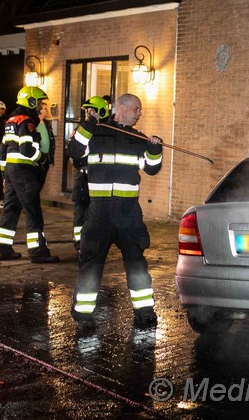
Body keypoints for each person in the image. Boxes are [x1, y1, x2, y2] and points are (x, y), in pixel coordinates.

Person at [66, 93, 162, 328]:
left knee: (136, 261)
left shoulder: (137, 139)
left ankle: (144, 310)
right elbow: (75, 151)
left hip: (128, 214)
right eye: (136, 109)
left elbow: (150, 168)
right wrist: (88, 124)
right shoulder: (96, 133)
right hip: (99, 212)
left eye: (140, 110)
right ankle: (84, 312)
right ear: (121, 108)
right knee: (92, 261)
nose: (140, 114)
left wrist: (154, 149)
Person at [0, 86, 59, 264]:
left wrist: (4, 175)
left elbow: (1, 150)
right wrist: (42, 158)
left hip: (12, 170)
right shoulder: (27, 121)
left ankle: (2, 247)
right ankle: (38, 251)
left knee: (11, 208)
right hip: (24, 170)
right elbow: (27, 149)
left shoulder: (10, 120)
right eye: (38, 103)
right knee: (33, 210)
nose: (40, 106)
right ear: (30, 102)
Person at [66, 96, 111, 251]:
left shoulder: (107, 131)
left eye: (91, 110)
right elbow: (73, 154)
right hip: (84, 176)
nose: (88, 113)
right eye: (87, 110)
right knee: (80, 211)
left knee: (98, 212)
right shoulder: (82, 130)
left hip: (100, 178)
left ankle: (97, 241)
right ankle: (79, 242)